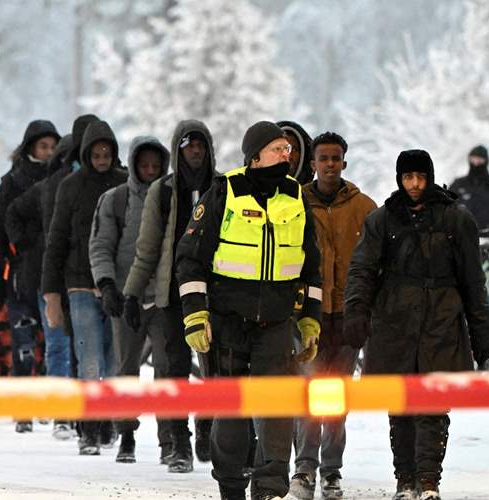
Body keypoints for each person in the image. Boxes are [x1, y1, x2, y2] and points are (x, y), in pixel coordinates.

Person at [176, 121, 322, 500]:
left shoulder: (296, 196)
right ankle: (230, 485)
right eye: (277, 149)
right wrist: (195, 314)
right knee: (231, 410)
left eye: (288, 150)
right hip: (227, 321)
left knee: (276, 408)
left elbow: (311, 266)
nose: (286, 155)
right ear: (254, 155)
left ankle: (270, 489)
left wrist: (310, 320)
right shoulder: (224, 191)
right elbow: (190, 258)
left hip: (276, 322)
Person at [342, 149, 489, 500]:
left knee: (434, 406)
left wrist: (481, 329)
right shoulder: (382, 220)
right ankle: (405, 480)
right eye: (408, 177)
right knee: (401, 405)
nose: (414, 184)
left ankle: (429, 481)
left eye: (420, 177)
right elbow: (362, 270)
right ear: (399, 179)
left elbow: (473, 280)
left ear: (429, 176)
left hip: (441, 320)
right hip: (394, 321)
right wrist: (356, 313)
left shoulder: (455, 219)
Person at [122, 120, 217, 473]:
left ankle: (208, 426)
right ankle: (180, 443)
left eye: (200, 144)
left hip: (215, 295)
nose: (195, 151)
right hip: (171, 296)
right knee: (174, 371)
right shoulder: (162, 191)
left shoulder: (223, 188)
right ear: (178, 149)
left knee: (214, 369)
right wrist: (132, 293)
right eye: (188, 144)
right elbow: (146, 250)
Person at [290, 132, 376, 500]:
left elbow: (376, 264)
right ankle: (304, 469)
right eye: (322, 158)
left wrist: (366, 310)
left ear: (344, 162)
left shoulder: (364, 208)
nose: (329, 164)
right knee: (309, 394)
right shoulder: (295, 203)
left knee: (335, 398)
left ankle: (332, 471)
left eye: (335, 158)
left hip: (347, 317)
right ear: (311, 164)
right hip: (307, 316)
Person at [41, 119, 127, 455]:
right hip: (78, 284)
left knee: (112, 359)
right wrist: (51, 294)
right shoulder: (70, 186)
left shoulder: (124, 184)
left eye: (107, 152)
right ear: (87, 153)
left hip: (116, 285)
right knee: (89, 359)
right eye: (97, 153)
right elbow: (56, 240)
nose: (103, 158)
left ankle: (107, 423)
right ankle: (88, 428)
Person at [89, 135, 170, 464]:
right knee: (126, 368)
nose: (150, 171)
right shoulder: (115, 200)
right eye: (144, 165)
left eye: (155, 165)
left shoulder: (172, 198)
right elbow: (101, 245)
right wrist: (107, 285)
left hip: (164, 298)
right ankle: (126, 435)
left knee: (167, 370)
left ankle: (171, 440)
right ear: (135, 166)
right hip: (125, 297)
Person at [0, 120, 60, 433]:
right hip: (19, 274)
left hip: (53, 275)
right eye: (43, 146)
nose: (48, 152)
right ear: (30, 147)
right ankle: (22, 407)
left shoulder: (63, 180)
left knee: (53, 343)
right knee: (23, 342)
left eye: (52, 146)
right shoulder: (12, 182)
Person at [6, 134, 75, 440]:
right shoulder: (44, 188)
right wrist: (29, 244)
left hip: (76, 277)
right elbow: (9, 216)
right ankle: (58, 408)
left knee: (66, 345)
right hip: (44, 277)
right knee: (53, 343)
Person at [277, 120, 314, 185]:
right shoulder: (254, 191)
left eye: (294, 149)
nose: (289, 155)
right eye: (281, 148)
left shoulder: (312, 194)